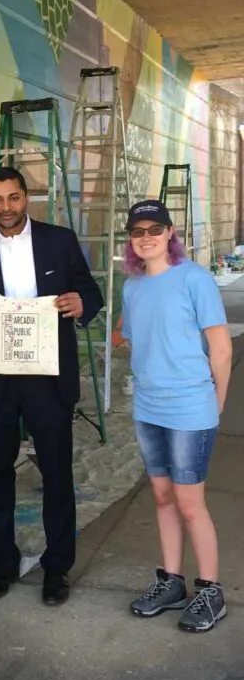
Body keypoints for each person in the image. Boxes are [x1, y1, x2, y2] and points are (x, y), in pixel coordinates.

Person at [0, 166, 103, 604]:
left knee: (56, 473)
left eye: (13, 198)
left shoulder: (60, 240)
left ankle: (57, 569)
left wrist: (81, 304)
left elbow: (88, 292)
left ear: (27, 197)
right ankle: (3, 565)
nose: (6, 208)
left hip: (48, 378)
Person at [122, 199, 232, 633]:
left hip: (190, 407)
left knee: (190, 502)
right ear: (131, 239)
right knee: (163, 497)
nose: (146, 236)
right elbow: (134, 338)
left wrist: (217, 403)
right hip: (149, 406)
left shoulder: (194, 279)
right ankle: (171, 582)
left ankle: (210, 590)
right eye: (137, 231)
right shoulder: (131, 286)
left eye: (155, 228)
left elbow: (221, 349)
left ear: (170, 233)